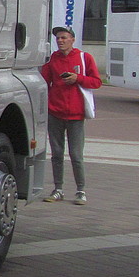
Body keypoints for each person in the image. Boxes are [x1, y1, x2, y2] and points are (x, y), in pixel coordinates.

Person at [39, 26, 102, 204]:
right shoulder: (53, 59)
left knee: (76, 155)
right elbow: (45, 81)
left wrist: (78, 78)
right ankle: (58, 189)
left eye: (64, 37)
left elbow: (97, 82)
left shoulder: (84, 58)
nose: (60, 41)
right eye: (58, 38)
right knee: (57, 153)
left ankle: (80, 190)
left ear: (72, 39)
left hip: (75, 115)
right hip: (55, 113)